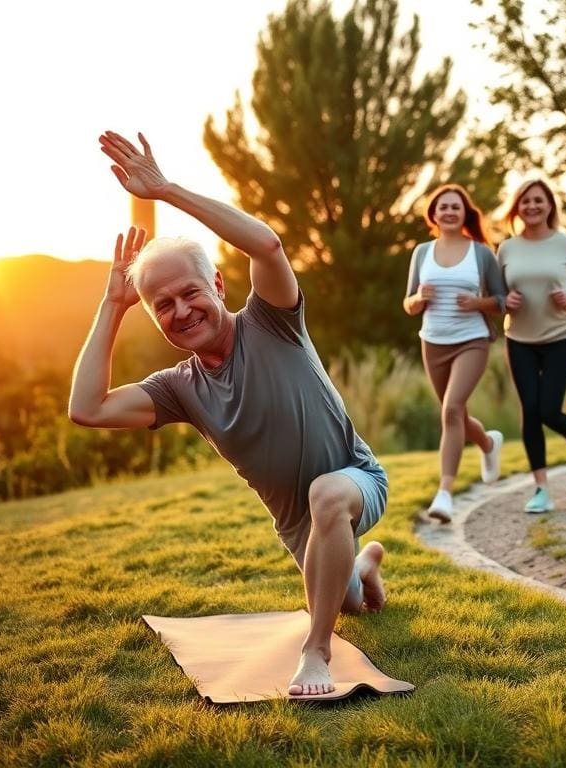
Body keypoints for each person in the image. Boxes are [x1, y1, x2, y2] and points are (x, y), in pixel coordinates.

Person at [69, 131, 388, 697]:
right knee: (351, 602)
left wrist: (165, 191)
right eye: (162, 305)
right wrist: (111, 305)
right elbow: (87, 408)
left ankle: (316, 653)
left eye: (190, 292)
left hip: (355, 478)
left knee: (328, 495)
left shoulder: (271, 321)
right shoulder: (178, 389)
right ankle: (364, 569)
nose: (181, 310)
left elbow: (266, 245)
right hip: (299, 526)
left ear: (217, 284)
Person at [403, 184, 506, 523]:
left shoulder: (481, 253)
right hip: (433, 342)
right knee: (457, 417)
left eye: (456, 207)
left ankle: (444, 494)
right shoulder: (422, 252)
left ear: (465, 214)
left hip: (471, 340)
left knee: (451, 410)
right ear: (433, 214)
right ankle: (488, 444)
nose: (449, 211)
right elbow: (408, 304)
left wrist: (478, 303)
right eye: (443, 207)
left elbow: (502, 301)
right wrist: (419, 299)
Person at [498, 178, 566, 513]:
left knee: (548, 410)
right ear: (518, 207)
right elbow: (497, 293)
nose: (532, 206)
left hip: (560, 337)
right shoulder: (507, 248)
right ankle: (541, 489)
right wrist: (504, 300)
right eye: (525, 201)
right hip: (519, 340)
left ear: (549, 205)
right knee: (530, 411)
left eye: (538, 200)